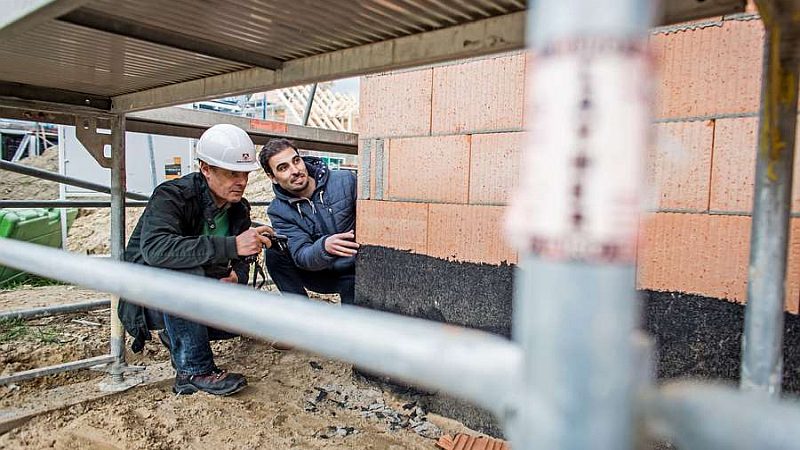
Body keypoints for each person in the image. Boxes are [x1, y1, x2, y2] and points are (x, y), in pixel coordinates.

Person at [119, 124, 273, 396]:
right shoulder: (173, 196)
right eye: (232, 173)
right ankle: (193, 371)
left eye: (245, 174)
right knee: (184, 273)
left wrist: (237, 274)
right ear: (205, 169)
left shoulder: (238, 209)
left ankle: (177, 333)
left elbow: (241, 259)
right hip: (149, 297)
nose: (241, 181)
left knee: (252, 319)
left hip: (202, 291)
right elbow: (156, 249)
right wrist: (232, 245)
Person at [258, 138, 358, 304]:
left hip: (357, 269)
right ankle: (301, 312)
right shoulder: (278, 210)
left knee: (356, 314)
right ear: (272, 177)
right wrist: (324, 247)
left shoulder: (346, 181)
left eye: (296, 161)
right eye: (283, 168)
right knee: (274, 252)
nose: (295, 170)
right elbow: (300, 254)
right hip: (319, 272)